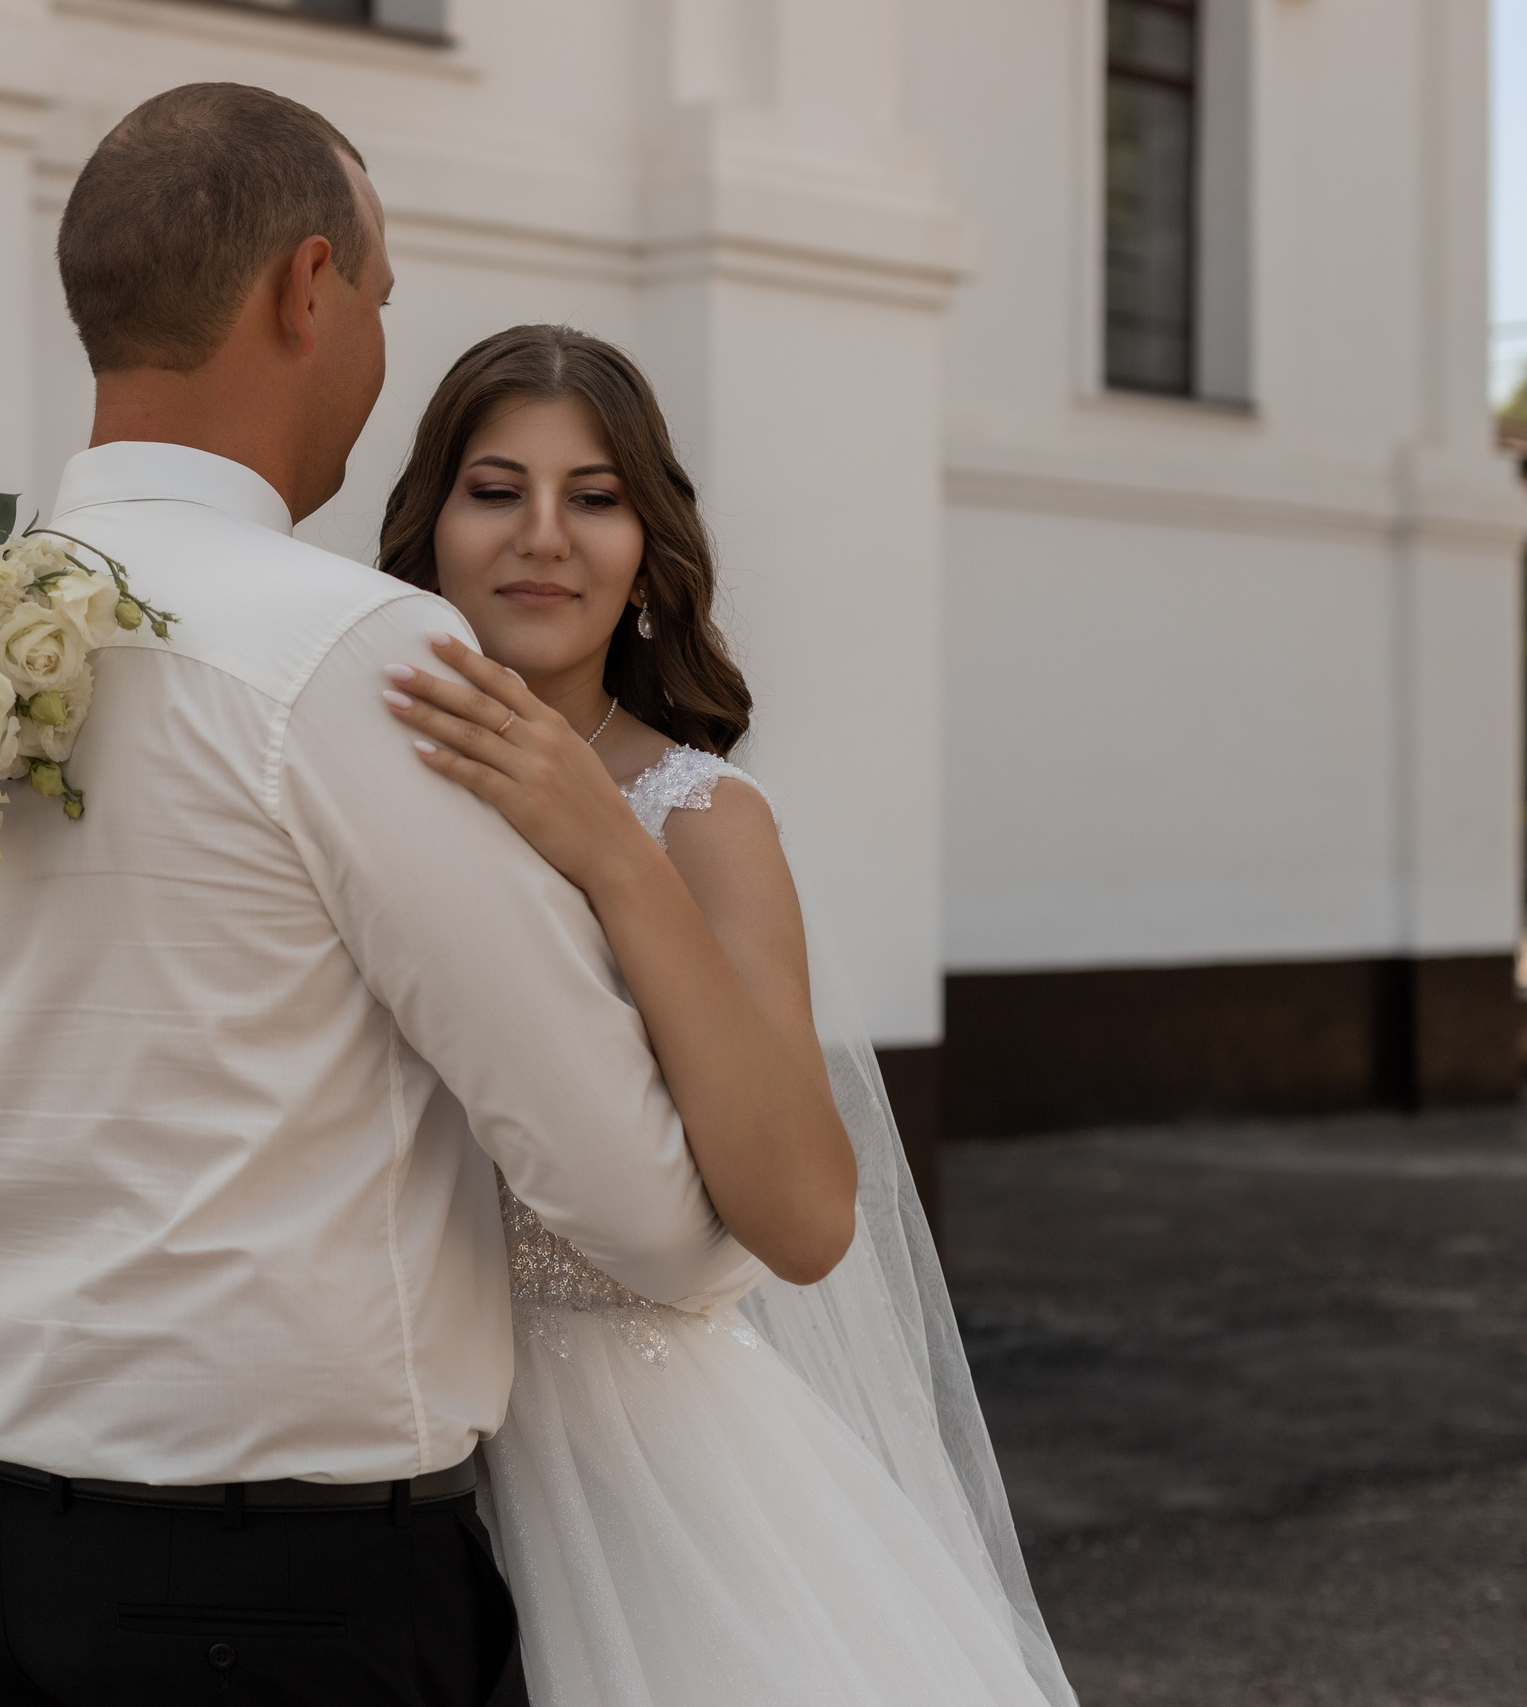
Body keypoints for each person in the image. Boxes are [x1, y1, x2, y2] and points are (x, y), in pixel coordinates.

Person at [0, 89, 764, 1706]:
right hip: (277, 1603)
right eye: (388, 299)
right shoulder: (357, 657)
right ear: (307, 288)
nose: (382, 342)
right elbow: (639, 1206)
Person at [374, 324, 1079, 1706]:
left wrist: (610, 852)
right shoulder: (350, 774)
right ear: (431, 531)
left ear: (649, 551)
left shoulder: (700, 822)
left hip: (631, 1478)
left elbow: (810, 1219)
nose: (544, 538)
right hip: (367, 1451)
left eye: (594, 497)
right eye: (495, 488)